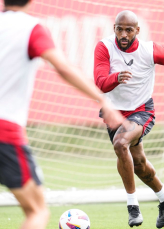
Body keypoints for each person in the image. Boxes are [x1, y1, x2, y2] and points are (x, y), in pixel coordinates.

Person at [0, 0, 124, 229]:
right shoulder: (31, 28)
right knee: (37, 211)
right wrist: (103, 101)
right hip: (4, 131)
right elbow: (63, 67)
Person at [93, 10, 164, 228]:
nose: (124, 34)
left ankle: (132, 206)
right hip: (113, 112)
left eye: (129, 30)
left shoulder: (149, 51)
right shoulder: (104, 47)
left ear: (138, 30)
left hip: (141, 110)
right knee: (138, 165)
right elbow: (100, 82)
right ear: (114, 29)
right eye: (120, 29)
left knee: (120, 144)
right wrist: (116, 78)